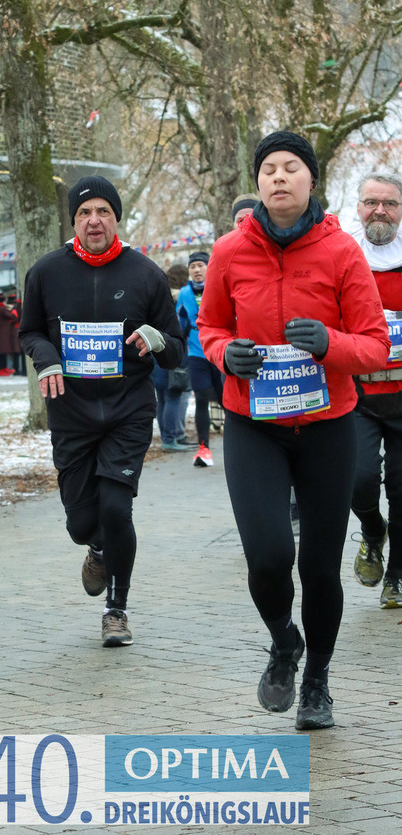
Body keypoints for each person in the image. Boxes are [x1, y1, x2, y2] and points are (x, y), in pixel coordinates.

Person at [197, 131, 389, 731]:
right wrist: (227, 353)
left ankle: (317, 682)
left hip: (329, 427)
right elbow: (208, 328)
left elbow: (375, 344)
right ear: (258, 185)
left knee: (319, 567)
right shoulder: (230, 251)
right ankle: (284, 641)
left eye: (291, 168)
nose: (279, 178)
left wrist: (330, 343)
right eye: (269, 170)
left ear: (311, 182)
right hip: (255, 426)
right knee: (269, 555)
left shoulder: (342, 253)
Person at [19, 175, 184, 648]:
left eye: (103, 211)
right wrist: (46, 358)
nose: (94, 220)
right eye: (85, 213)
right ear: (74, 222)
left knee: (116, 508)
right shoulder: (47, 272)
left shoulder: (145, 274)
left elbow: (175, 348)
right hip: (70, 413)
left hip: (127, 409)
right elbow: (28, 333)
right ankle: (94, 549)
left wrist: (156, 340)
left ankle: (117, 610)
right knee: (80, 523)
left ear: (116, 218)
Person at [349, 172, 402, 608]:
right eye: (372, 202)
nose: (380, 210)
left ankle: (397, 576)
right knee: (358, 480)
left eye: (390, 203)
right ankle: (371, 530)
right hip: (359, 396)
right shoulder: (345, 256)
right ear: (359, 208)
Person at [176, 251, 225, 466]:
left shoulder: (219, 287)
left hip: (219, 352)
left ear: (208, 267)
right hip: (197, 354)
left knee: (227, 401)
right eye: (193, 266)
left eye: (201, 265)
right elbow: (180, 325)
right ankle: (204, 449)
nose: (197, 270)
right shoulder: (185, 294)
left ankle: (238, 446)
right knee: (202, 399)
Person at [0, 290, 18, 376]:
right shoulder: (2, 309)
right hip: (3, 334)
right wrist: (14, 311)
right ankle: (2, 370)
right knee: (3, 352)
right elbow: (12, 316)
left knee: (2, 352)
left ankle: (3, 368)